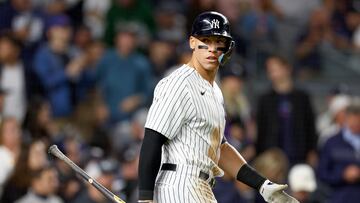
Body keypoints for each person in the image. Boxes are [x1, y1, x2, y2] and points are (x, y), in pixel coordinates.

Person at [138, 11, 298, 203]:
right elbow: (152, 140)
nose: (212, 49)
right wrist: (145, 198)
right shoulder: (178, 84)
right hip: (178, 184)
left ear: (227, 48)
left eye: (218, 42)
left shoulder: (215, 91)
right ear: (192, 42)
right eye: (205, 40)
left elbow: (220, 149)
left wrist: (262, 185)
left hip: (201, 187)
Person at [317, 100, 360, 203]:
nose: (356, 124)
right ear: (347, 118)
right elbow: (322, 173)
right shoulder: (332, 142)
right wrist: (342, 175)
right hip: (340, 197)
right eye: (353, 120)